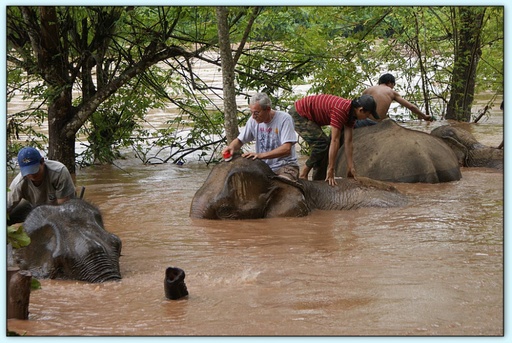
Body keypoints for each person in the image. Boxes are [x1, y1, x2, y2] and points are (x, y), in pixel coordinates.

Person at [288, 94, 379, 186]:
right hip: (299, 113)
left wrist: (350, 167)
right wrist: (331, 168)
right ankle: (304, 173)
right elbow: (335, 140)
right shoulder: (341, 110)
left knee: (324, 151)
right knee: (322, 144)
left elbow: (348, 141)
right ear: (361, 110)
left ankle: (318, 182)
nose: (367, 118)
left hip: (311, 116)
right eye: (368, 115)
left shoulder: (351, 115)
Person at [222, 92, 300, 181]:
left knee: (280, 187)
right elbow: (240, 140)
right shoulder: (252, 120)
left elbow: (286, 149)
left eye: (256, 113)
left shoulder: (284, 119)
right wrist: (231, 147)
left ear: (268, 109)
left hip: (286, 166)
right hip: (263, 166)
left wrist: (260, 155)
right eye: (251, 112)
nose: (253, 116)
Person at [7, 146, 76, 225]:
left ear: (42, 161)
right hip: (35, 206)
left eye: (34, 170)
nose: (32, 175)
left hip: (60, 206)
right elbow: (6, 206)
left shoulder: (59, 172)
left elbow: (63, 208)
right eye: (28, 172)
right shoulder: (19, 183)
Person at [363, 73, 433, 121]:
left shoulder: (367, 90)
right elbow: (411, 106)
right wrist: (424, 116)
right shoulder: (391, 92)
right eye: (393, 85)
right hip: (374, 123)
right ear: (390, 83)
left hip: (361, 121)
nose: (393, 87)